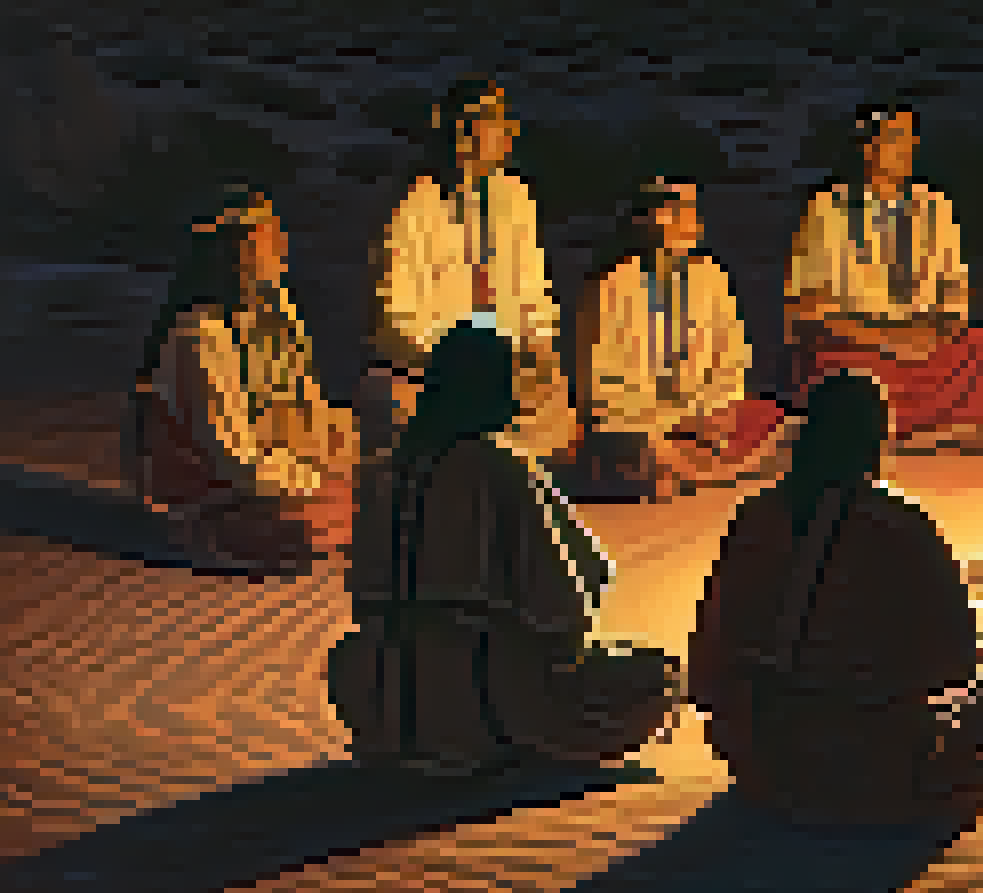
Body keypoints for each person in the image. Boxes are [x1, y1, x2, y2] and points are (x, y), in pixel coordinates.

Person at [328, 320, 681, 776]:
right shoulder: (502, 466)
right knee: (657, 677)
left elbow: (364, 597)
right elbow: (564, 608)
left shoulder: (380, 470)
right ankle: (500, 741)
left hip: (378, 698)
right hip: (485, 697)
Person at [689, 372, 983, 824]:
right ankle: (912, 778)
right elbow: (956, 660)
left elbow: (708, 654)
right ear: (875, 443)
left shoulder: (755, 517)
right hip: (869, 754)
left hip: (759, 747)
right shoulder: (901, 526)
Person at [127, 186, 359, 573]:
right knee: (319, 522)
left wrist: (345, 453)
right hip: (206, 505)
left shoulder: (264, 324)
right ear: (234, 255)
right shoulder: (198, 336)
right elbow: (235, 459)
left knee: (369, 489)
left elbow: (302, 412)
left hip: (259, 483)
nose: (280, 254)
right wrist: (309, 477)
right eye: (267, 243)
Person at [361, 75, 576, 470]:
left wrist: (538, 344)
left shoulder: (515, 198)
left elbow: (533, 293)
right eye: (471, 121)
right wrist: (452, 359)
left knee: (550, 400)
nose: (480, 133)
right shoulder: (410, 203)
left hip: (503, 361)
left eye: (493, 120)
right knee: (397, 407)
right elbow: (395, 317)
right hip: (432, 365)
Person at [787, 103, 983, 452]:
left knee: (980, 351)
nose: (905, 148)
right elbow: (812, 306)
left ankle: (927, 424)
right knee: (840, 367)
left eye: (908, 138)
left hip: (920, 335)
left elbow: (953, 288)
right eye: (894, 138)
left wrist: (931, 335)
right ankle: (885, 426)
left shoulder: (934, 205)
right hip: (858, 338)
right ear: (868, 147)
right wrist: (884, 338)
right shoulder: (830, 207)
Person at [576, 179, 794, 503]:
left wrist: (713, 412)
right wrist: (677, 419)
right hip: (642, 421)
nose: (687, 219)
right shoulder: (613, 287)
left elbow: (733, 359)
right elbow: (602, 389)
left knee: (778, 424)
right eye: (675, 208)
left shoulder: (712, 277)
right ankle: (690, 471)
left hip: (705, 417)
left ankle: (695, 471)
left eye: (691, 209)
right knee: (639, 447)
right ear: (645, 218)